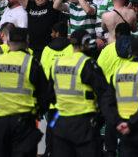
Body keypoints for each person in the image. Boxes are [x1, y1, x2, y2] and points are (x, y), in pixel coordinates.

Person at [49, 28, 117, 157]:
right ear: (85, 43)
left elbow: (50, 94)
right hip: (83, 123)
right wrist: (100, 120)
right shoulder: (87, 64)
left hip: (61, 122)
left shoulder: (57, 63)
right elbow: (104, 95)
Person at [0, 25, 50, 157]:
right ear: (27, 43)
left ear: (8, 42)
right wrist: (37, 112)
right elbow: (45, 94)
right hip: (23, 122)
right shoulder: (31, 62)